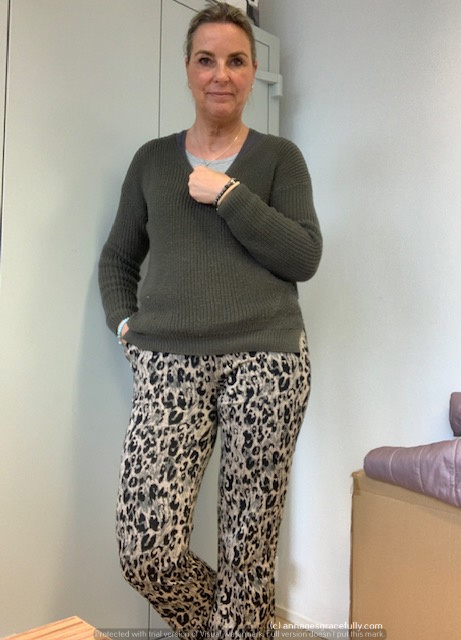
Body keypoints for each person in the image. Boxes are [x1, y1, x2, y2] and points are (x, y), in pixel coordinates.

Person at [98, 3, 322, 637]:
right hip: (168, 363)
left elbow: (304, 256)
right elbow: (118, 260)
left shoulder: (280, 159)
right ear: (188, 69)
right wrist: (127, 329)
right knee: (147, 550)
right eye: (206, 60)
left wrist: (228, 194)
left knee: (247, 555)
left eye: (236, 61)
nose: (221, 74)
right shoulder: (151, 161)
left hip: (267, 361)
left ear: (251, 73)